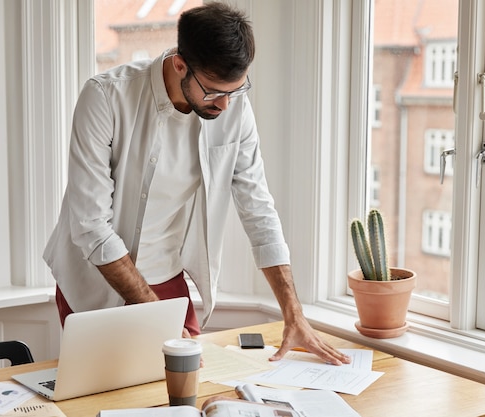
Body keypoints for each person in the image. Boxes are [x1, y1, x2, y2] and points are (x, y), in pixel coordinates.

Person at [43, 2, 350, 366]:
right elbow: (92, 227)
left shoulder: (233, 107)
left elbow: (258, 209)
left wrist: (293, 314)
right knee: (104, 397)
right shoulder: (105, 97)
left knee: (186, 394)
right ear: (179, 64)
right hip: (93, 282)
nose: (225, 104)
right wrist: (157, 321)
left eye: (235, 91)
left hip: (167, 281)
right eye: (213, 92)